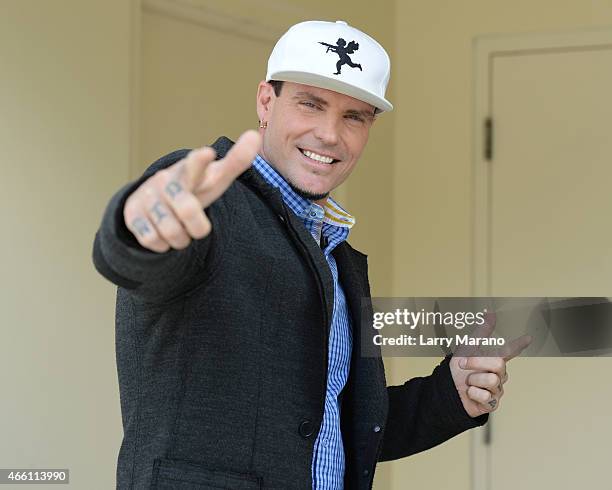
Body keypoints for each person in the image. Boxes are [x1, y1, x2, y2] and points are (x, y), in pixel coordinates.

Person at [92, 20, 524, 490]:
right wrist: (138, 227)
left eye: (354, 116)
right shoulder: (207, 199)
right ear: (265, 101)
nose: (330, 134)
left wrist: (450, 395)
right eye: (311, 104)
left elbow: (326, 430)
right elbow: (133, 251)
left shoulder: (335, 256)